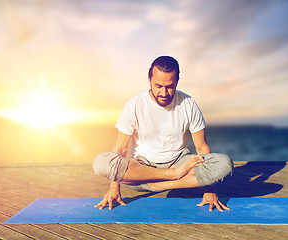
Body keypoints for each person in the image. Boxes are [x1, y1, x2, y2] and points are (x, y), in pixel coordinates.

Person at [93, 56, 234, 212]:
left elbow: (202, 148)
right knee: (101, 162)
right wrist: (114, 187)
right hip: (144, 166)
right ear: (149, 79)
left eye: (170, 86)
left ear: (177, 81)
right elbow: (120, 148)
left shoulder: (188, 103)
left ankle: (160, 183)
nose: (164, 92)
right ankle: (172, 176)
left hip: (180, 163)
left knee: (224, 164)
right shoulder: (134, 104)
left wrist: (209, 191)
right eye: (158, 86)